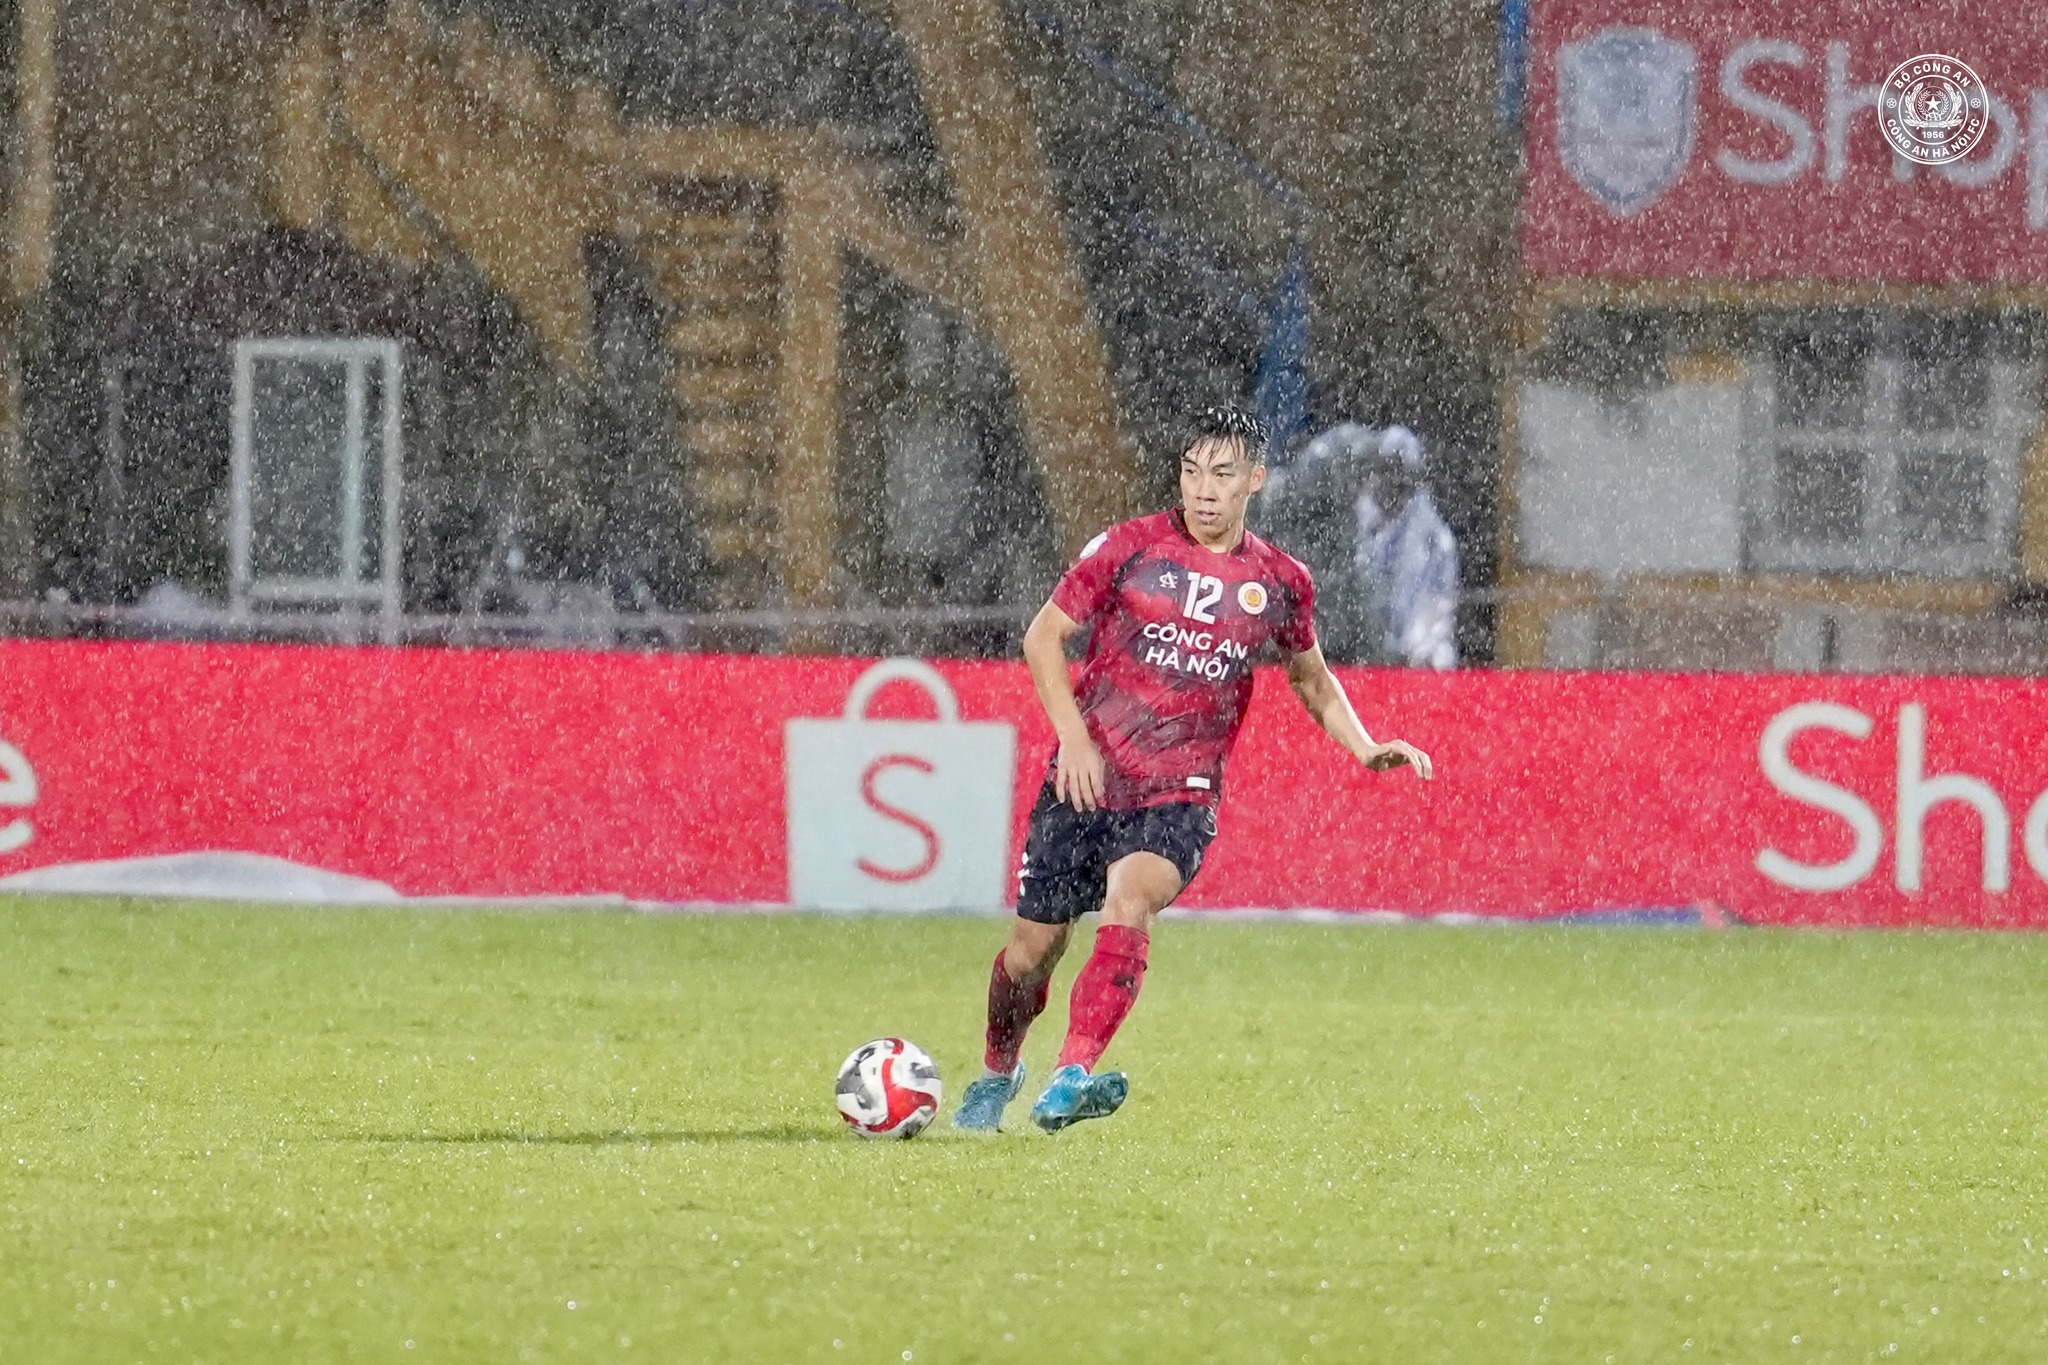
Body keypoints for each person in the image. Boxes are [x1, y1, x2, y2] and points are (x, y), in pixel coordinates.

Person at [953, 406, 1435, 1135]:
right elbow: (1042, 637)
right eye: (1191, 471)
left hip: (1179, 793)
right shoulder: (1129, 547)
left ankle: (1070, 1074)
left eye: (1221, 474)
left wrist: (1365, 745)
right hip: (1085, 779)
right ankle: (999, 1067)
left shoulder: (1280, 580)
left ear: (1255, 480)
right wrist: (1075, 741)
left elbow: (1310, 676)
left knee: (1130, 898)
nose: (1203, 490)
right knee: (1032, 953)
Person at [1353, 425, 1460, 670]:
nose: (1388, 483)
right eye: (1383, 471)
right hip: (1355, 651)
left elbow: (1434, 613)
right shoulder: (1352, 522)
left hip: (1409, 659)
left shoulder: (1435, 542)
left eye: (1398, 475)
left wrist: (1408, 651)